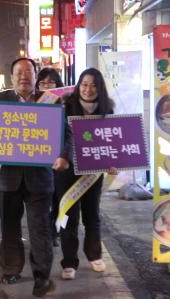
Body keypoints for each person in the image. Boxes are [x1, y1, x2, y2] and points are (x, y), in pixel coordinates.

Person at [0, 58, 72, 297]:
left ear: (36, 77)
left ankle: (42, 277)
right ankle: (11, 268)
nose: (24, 76)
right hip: (6, 179)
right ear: (11, 77)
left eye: (28, 72)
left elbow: (66, 134)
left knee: (40, 229)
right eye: (19, 73)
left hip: (40, 179)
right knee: (9, 228)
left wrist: (65, 156)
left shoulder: (50, 102)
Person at [57, 68, 118, 280]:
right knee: (69, 216)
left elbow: (112, 141)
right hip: (66, 169)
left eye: (93, 85)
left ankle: (94, 255)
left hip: (94, 171)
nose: (88, 89)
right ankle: (69, 262)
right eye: (84, 84)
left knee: (92, 215)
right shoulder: (64, 106)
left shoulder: (107, 109)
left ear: (99, 88)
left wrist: (113, 161)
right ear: (78, 86)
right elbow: (57, 135)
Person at [35, 67, 65, 247]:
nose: (46, 86)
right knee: (42, 200)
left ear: (57, 84)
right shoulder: (32, 102)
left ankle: (54, 232)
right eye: (42, 83)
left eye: (51, 82)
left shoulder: (66, 104)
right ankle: (45, 232)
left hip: (60, 160)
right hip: (39, 160)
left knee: (57, 199)